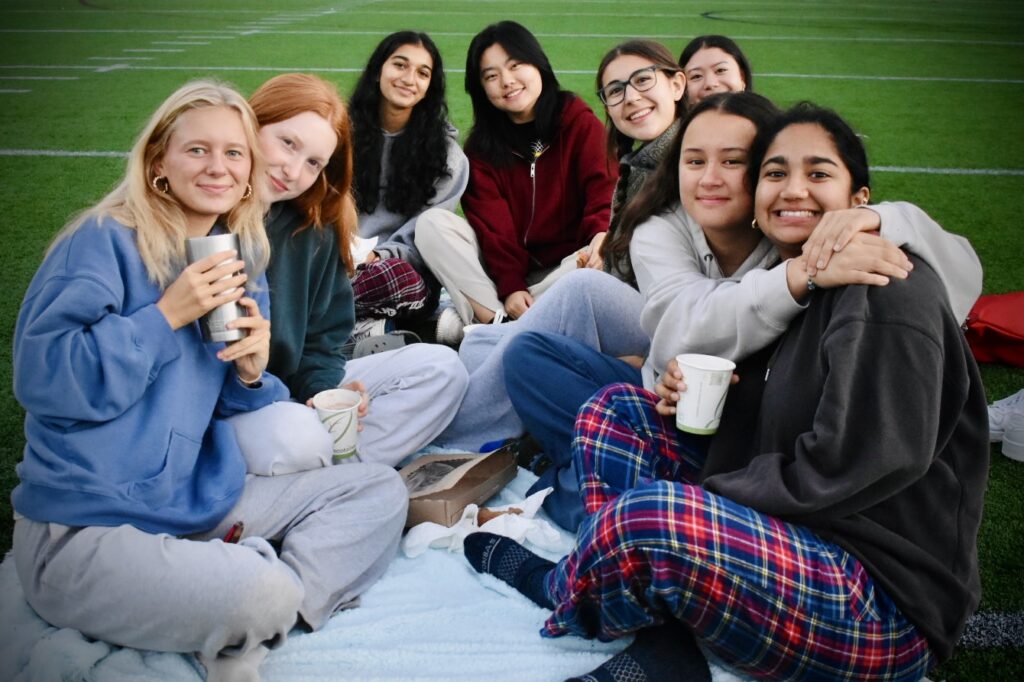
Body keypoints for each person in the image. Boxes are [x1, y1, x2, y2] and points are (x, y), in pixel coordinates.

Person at [463, 102, 988, 682]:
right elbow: (777, 410)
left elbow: (850, 465)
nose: (794, 190)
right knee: (617, 412)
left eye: (818, 174)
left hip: (877, 597)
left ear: (860, 202)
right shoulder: (794, 284)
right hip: (797, 535)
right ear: (759, 200)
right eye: (775, 173)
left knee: (650, 517)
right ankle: (662, 638)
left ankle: (568, 588)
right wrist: (692, 398)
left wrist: (703, 500)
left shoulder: (882, 290)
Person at [10, 80, 408, 680]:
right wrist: (166, 315)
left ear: (250, 173)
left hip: (189, 502)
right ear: (158, 162)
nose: (217, 167)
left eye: (234, 153)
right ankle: (247, 603)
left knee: (378, 490)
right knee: (261, 590)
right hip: (84, 528)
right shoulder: (101, 241)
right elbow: (45, 381)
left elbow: (215, 399)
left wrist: (251, 375)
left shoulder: (236, 253)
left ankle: (242, 606)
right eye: (197, 150)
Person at [505, 91, 982, 531]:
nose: (710, 178)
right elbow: (682, 328)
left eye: (733, 162)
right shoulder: (667, 229)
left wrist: (883, 217)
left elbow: (956, 270)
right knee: (530, 356)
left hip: (755, 439)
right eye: (694, 161)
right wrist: (798, 278)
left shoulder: (798, 232)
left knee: (627, 467)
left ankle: (585, 484)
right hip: (689, 403)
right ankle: (593, 478)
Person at [434, 39, 685, 454]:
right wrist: (512, 284)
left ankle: (458, 429)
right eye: (616, 91)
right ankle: (494, 338)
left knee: (578, 289)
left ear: (676, 85)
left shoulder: (688, 155)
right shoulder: (642, 159)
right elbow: (490, 224)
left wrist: (600, 243)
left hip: (648, 313)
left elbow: (601, 203)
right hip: (552, 282)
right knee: (481, 340)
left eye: (643, 80)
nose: (631, 98)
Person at [232, 72, 468, 472]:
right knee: (297, 437)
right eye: (287, 143)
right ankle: (320, 472)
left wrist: (326, 390)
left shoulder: (314, 224)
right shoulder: (209, 217)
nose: (292, 170)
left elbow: (322, 341)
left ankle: (335, 471)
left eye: (313, 162)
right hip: (243, 402)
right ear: (253, 123)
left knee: (442, 370)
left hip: (289, 394)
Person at [415, 20, 617, 343]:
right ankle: (501, 321)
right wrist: (511, 287)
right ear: (480, 88)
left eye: (515, 66)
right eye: (491, 76)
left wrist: (600, 235)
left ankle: (490, 326)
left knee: (602, 258)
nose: (506, 82)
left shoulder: (576, 120)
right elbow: (494, 231)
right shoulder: (481, 149)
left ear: (538, 64)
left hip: (567, 266)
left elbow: (603, 188)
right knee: (431, 225)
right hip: (505, 276)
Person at [348, 31, 469, 331]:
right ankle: (363, 327)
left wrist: (376, 255)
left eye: (422, 73)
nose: (409, 78)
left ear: (429, 87)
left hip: (397, 271)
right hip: (337, 260)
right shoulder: (339, 134)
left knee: (392, 277)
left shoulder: (446, 155)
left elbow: (423, 235)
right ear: (378, 71)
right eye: (400, 65)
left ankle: (325, 315)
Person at [678, 34, 752, 107]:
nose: (710, 83)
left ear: (742, 77)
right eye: (696, 76)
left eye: (720, 70)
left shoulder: (762, 118)